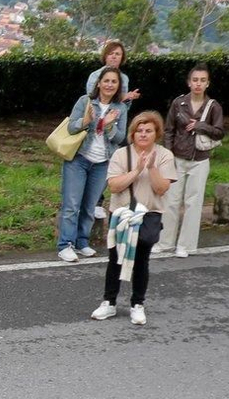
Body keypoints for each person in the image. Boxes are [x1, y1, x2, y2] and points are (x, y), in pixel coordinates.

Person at [90, 111, 177, 326]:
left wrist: (152, 167)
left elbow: (161, 188)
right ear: (132, 133)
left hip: (149, 212)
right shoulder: (122, 155)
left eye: (148, 131)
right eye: (139, 130)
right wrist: (137, 170)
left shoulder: (164, 155)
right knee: (115, 258)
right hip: (122, 212)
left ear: (156, 133)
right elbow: (114, 185)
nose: (143, 135)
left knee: (142, 256)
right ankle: (109, 302)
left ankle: (137, 304)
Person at [57, 67, 126, 262]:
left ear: (118, 86)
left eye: (114, 82)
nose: (109, 85)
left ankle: (81, 242)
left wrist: (110, 125)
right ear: (98, 83)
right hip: (79, 159)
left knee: (89, 206)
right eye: (106, 81)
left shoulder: (120, 108)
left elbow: (120, 138)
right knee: (71, 205)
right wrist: (86, 121)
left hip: (102, 162)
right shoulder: (85, 101)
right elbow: (71, 127)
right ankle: (65, 245)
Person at [159, 64, 225, 259]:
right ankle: (165, 242)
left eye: (202, 80)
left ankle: (186, 245)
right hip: (177, 157)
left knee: (193, 203)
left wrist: (201, 126)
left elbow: (220, 132)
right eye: (195, 80)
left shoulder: (213, 106)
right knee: (171, 200)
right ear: (189, 82)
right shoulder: (178, 103)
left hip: (200, 159)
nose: (198, 84)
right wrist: (168, 155)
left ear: (207, 83)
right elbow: (169, 130)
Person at [84, 40, 142, 225]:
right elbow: (91, 97)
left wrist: (129, 99)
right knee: (93, 161)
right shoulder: (95, 75)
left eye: (118, 54)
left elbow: (123, 105)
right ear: (105, 56)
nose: (115, 57)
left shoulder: (124, 78)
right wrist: (124, 97)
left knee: (113, 162)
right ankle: (92, 201)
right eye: (111, 53)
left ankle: (102, 201)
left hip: (117, 124)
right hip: (96, 124)